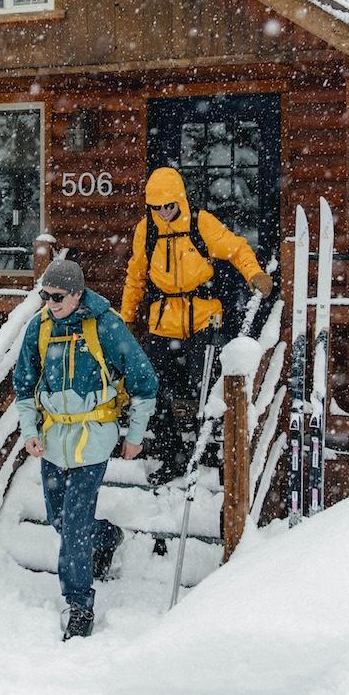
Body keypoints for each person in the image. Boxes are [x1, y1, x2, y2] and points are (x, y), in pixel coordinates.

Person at [13, 259, 158, 641]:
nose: (50, 302)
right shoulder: (39, 327)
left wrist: (134, 435)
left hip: (93, 439)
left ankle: (79, 604)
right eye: (45, 295)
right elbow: (24, 385)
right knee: (60, 519)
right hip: (53, 441)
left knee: (74, 524)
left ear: (78, 294)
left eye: (58, 296)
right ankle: (107, 537)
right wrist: (30, 430)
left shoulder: (106, 324)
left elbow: (145, 381)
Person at [120, 166, 273, 478]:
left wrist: (253, 273)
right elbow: (135, 277)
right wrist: (124, 320)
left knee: (204, 386)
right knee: (152, 388)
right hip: (162, 320)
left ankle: (212, 449)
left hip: (204, 318)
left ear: (179, 200)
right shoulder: (145, 232)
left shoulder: (201, 224)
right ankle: (172, 452)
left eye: (169, 206)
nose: (164, 213)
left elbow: (237, 248)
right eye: (157, 207)